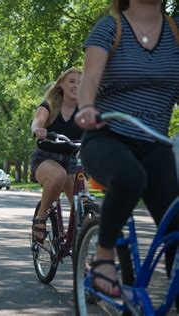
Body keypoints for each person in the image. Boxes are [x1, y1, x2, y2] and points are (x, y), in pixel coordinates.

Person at [75, 0, 179, 299]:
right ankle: (104, 256)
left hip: (155, 143)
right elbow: (90, 78)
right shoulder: (111, 27)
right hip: (107, 134)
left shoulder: (175, 33)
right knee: (131, 178)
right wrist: (86, 107)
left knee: (175, 223)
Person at [30, 67, 83, 244]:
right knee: (58, 175)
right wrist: (38, 129)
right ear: (61, 84)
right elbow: (37, 121)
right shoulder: (50, 105)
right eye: (72, 81)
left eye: (80, 82)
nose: (76, 85)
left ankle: (81, 253)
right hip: (46, 158)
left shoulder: (85, 109)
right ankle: (41, 217)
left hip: (71, 160)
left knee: (82, 205)